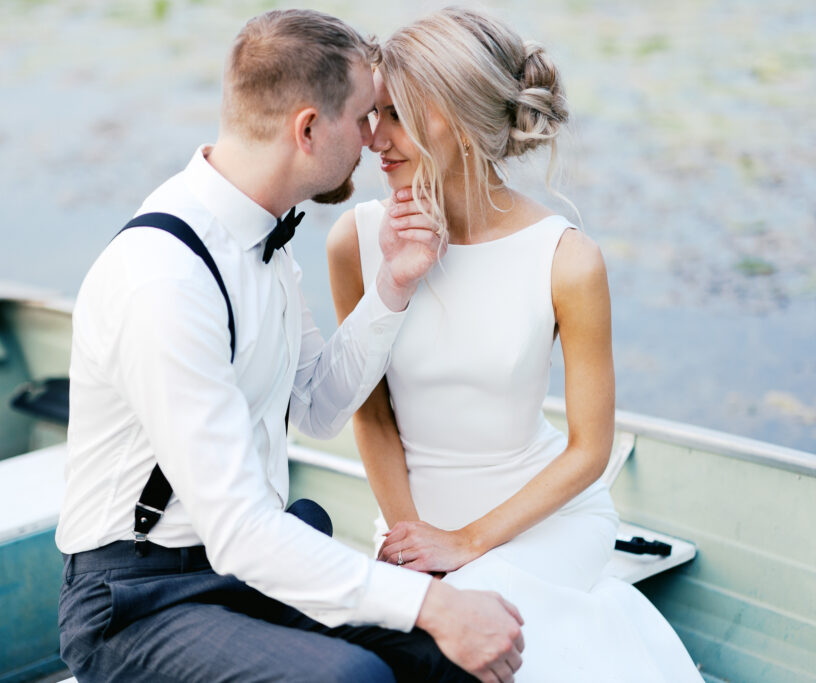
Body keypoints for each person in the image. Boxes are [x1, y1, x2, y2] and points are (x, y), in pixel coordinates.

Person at [55, 9, 525, 683]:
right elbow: (241, 529)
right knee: (350, 678)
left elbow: (316, 406)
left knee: (446, 657)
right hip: (137, 602)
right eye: (365, 116)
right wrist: (432, 600)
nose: (374, 140)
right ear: (308, 128)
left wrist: (392, 284)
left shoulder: (261, 239)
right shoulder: (163, 280)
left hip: (238, 568)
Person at [327, 8, 702, 682]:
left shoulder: (567, 259)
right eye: (372, 112)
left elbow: (590, 449)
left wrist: (467, 543)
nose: (374, 139)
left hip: (546, 520)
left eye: (399, 116)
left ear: (462, 120)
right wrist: (414, 541)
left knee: (474, 645)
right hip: (416, 522)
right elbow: (369, 411)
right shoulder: (355, 242)